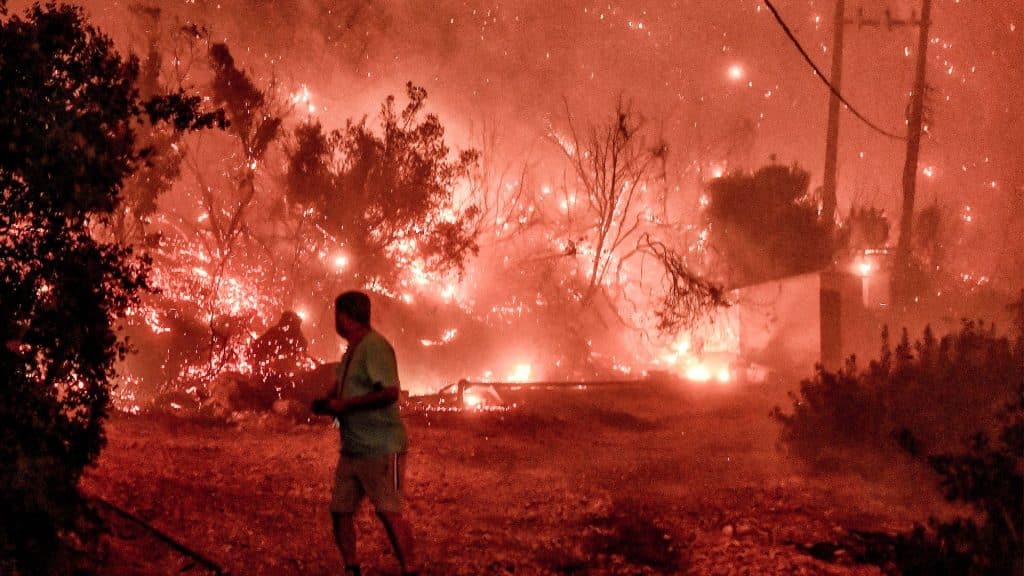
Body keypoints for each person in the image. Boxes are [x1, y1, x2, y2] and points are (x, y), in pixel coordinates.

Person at [312, 291, 418, 576]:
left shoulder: (375, 347)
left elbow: (389, 392)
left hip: (383, 448)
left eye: (338, 315)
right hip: (354, 449)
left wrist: (344, 405)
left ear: (346, 317)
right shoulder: (353, 350)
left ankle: (411, 569)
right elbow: (344, 384)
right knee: (340, 510)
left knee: (389, 512)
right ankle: (351, 567)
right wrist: (328, 400)